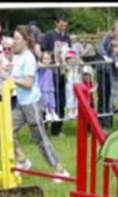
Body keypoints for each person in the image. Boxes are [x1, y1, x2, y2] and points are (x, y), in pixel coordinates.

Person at [10, 25, 69, 182]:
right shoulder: (17, 56)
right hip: (21, 104)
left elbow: (29, 83)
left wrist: (12, 80)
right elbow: (11, 73)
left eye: (16, 38)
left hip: (33, 104)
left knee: (40, 139)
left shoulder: (29, 57)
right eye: (13, 37)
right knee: (6, 131)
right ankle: (23, 160)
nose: (13, 41)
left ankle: (60, 171)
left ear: (25, 40)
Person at [40, 15, 72, 137]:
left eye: (65, 25)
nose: (63, 27)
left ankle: (57, 129)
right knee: (47, 102)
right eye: (61, 25)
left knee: (61, 102)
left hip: (62, 73)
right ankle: (43, 129)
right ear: (56, 23)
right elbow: (41, 48)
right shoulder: (49, 35)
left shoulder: (67, 38)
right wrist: (45, 60)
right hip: (49, 74)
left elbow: (70, 53)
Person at [95, 22, 118, 129]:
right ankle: (101, 121)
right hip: (103, 70)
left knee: (111, 97)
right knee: (103, 95)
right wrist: (105, 57)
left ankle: (109, 121)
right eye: (117, 31)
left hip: (114, 72)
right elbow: (100, 48)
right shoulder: (107, 38)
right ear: (113, 31)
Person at [0, 37, 17, 112]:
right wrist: (2, 67)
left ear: (13, 48)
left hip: (14, 90)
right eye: (4, 48)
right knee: (1, 112)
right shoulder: (0, 57)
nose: (6, 51)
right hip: (1, 90)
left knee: (13, 113)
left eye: (9, 49)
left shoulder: (17, 57)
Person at [37, 51, 60, 122]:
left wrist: (57, 62)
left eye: (48, 59)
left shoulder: (51, 68)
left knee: (52, 101)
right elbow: (38, 65)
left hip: (51, 88)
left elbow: (57, 65)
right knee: (46, 101)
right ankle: (47, 113)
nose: (46, 61)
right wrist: (41, 63)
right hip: (43, 88)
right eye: (45, 59)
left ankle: (53, 113)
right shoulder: (41, 67)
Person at [64, 49, 82, 119]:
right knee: (70, 98)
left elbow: (81, 71)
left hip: (77, 83)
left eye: (72, 58)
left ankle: (76, 111)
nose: (71, 60)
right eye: (69, 58)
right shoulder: (67, 67)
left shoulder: (77, 66)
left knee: (77, 98)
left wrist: (79, 62)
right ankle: (69, 112)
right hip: (69, 85)